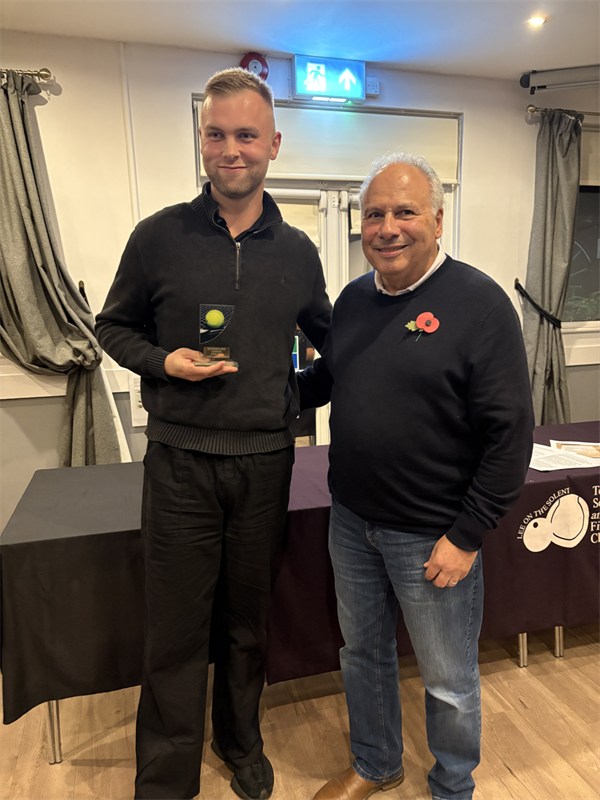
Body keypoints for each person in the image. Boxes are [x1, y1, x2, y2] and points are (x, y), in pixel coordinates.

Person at [95, 68, 331, 800]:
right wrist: (163, 361)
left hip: (265, 466)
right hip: (179, 465)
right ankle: (166, 776)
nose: (232, 150)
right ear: (201, 140)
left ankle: (240, 742)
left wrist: (290, 395)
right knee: (175, 629)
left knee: (246, 623)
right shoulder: (156, 237)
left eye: (247, 136)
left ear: (274, 144)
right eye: (217, 135)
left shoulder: (298, 252)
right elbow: (113, 327)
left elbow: (335, 344)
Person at [299, 153, 534, 800]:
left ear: (437, 219)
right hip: (352, 522)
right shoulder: (353, 300)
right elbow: (325, 379)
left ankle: (453, 787)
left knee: (448, 679)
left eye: (405, 212)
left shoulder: (480, 305)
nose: (387, 227)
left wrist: (467, 535)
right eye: (374, 214)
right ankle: (376, 763)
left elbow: (510, 435)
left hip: (433, 534)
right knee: (362, 654)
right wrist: (252, 388)